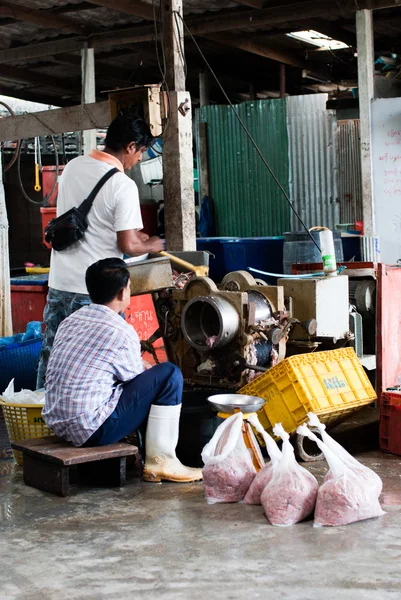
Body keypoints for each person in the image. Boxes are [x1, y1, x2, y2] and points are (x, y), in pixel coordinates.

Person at [43, 258, 202, 483]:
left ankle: (147, 450)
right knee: (170, 375)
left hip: (60, 425)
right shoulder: (119, 330)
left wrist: (142, 369)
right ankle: (162, 461)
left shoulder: (70, 321)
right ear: (121, 293)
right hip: (92, 430)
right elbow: (135, 378)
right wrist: (146, 369)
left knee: (146, 377)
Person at [37, 115, 164, 388]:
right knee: (96, 368)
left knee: (53, 358)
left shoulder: (72, 167)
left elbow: (85, 218)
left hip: (60, 284)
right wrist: (153, 243)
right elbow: (128, 246)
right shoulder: (122, 185)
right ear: (130, 146)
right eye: (141, 151)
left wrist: (129, 232)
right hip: (97, 293)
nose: (140, 159)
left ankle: (41, 416)